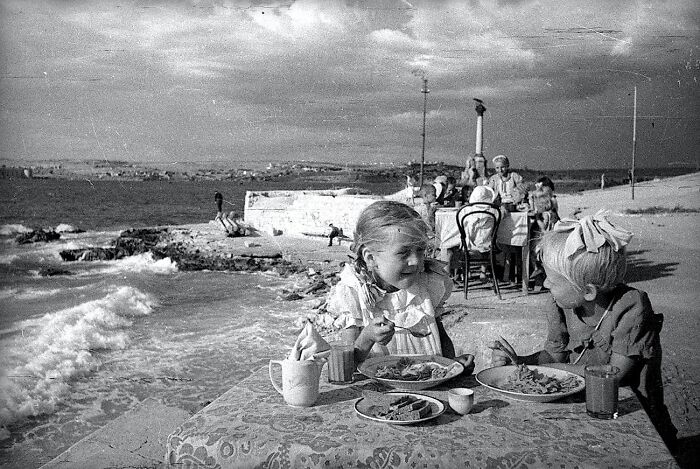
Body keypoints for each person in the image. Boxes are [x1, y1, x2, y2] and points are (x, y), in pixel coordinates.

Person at [489, 213, 677, 449]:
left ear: (587, 291)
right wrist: (522, 363)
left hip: (630, 412)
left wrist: (545, 370)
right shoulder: (559, 304)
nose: (545, 284)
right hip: (582, 408)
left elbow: (615, 374)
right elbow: (553, 356)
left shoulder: (631, 306)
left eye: (552, 280)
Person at [325, 200, 475, 373]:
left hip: (428, 388)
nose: (416, 261)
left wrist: (453, 365)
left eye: (420, 250)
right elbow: (345, 367)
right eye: (403, 253)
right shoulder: (354, 292)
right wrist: (367, 337)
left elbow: (441, 339)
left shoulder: (428, 283)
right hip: (376, 393)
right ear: (371, 258)